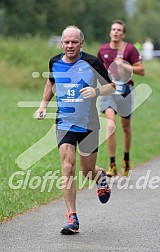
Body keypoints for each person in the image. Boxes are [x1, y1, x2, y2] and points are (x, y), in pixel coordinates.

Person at [35, 25, 115, 235]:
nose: (70, 46)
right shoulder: (54, 62)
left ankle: (100, 176)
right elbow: (50, 83)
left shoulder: (91, 62)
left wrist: (96, 90)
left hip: (88, 124)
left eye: (74, 42)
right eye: (66, 42)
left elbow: (111, 86)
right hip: (64, 123)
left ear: (82, 43)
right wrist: (43, 105)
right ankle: (72, 217)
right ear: (62, 43)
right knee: (67, 166)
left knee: (87, 171)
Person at [97, 19, 145, 177]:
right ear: (110, 32)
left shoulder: (130, 49)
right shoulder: (102, 49)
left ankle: (126, 159)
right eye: (113, 29)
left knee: (125, 126)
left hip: (125, 90)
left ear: (123, 34)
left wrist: (125, 66)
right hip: (109, 90)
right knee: (110, 125)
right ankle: (112, 164)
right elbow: (97, 69)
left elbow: (141, 70)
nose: (116, 32)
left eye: (119, 30)